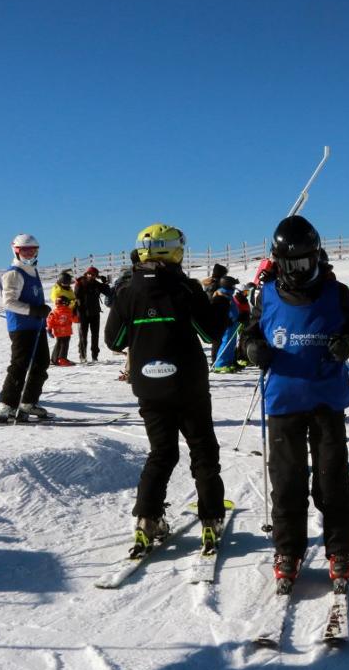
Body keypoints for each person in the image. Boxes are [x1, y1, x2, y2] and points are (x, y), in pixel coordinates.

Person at [242, 215, 349, 592]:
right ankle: (288, 550)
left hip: (326, 400)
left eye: (305, 262)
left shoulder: (336, 293)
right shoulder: (268, 294)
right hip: (284, 401)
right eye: (290, 264)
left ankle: (341, 549)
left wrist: (347, 345)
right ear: (278, 262)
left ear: (317, 256)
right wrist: (253, 349)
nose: (298, 271)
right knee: (287, 481)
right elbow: (249, 335)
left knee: (332, 480)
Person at [104, 223, 227, 555]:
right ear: (175, 252)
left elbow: (114, 340)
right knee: (203, 451)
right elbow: (211, 332)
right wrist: (218, 303)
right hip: (188, 385)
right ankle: (211, 518)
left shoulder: (127, 291)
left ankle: (147, 518)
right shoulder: (185, 288)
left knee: (162, 452)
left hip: (149, 386)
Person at [0, 233, 53, 422]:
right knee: (20, 365)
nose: (29, 253)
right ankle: (6, 405)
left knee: (41, 364)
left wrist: (42, 310)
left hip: (36, 326)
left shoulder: (32, 271)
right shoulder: (14, 273)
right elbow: (8, 302)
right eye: (25, 250)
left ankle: (28, 402)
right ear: (16, 251)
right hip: (21, 327)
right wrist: (34, 310)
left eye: (33, 250)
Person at [72, 266, 112, 364]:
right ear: (86, 274)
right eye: (89, 274)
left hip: (95, 313)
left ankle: (95, 356)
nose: (90, 276)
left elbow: (108, 293)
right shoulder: (80, 283)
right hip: (83, 313)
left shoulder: (96, 284)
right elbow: (75, 297)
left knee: (95, 335)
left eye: (93, 275)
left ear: (95, 276)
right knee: (83, 336)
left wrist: (105, 283)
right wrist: (74, 312)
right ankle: (83, 356)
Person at [47, 296, 76, 366]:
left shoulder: (54, 312)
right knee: (64, 344)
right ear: (64, 303)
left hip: (58, 332)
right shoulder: (68, 311)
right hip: (66, 332)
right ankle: (62, 359)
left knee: (59, 344)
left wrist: (49, 329)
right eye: (67, 303)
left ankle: (54, 359)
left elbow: (50, 321)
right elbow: (75, 320)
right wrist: (76, 314)